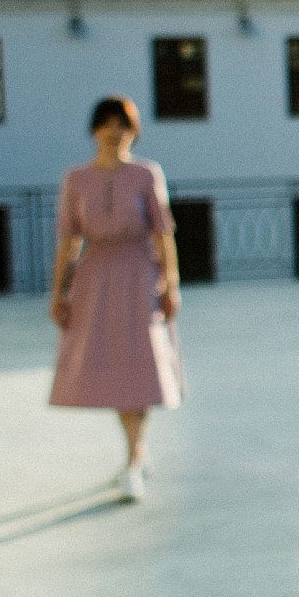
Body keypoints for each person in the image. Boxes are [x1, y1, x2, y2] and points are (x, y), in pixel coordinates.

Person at [48, 95, 184, 501]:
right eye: (107, 124)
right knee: (109, 367)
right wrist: (59, 291)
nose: (114, 132)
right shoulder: (76, 179)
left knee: (139, 364)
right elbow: (69, 239)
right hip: (96, 277)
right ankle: (136, 452)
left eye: (122, 125)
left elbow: (162, 231)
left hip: (138, 274)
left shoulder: (146, 174)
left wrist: (170, 282)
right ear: (94, 130)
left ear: (134, 131)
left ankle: (133, 459)